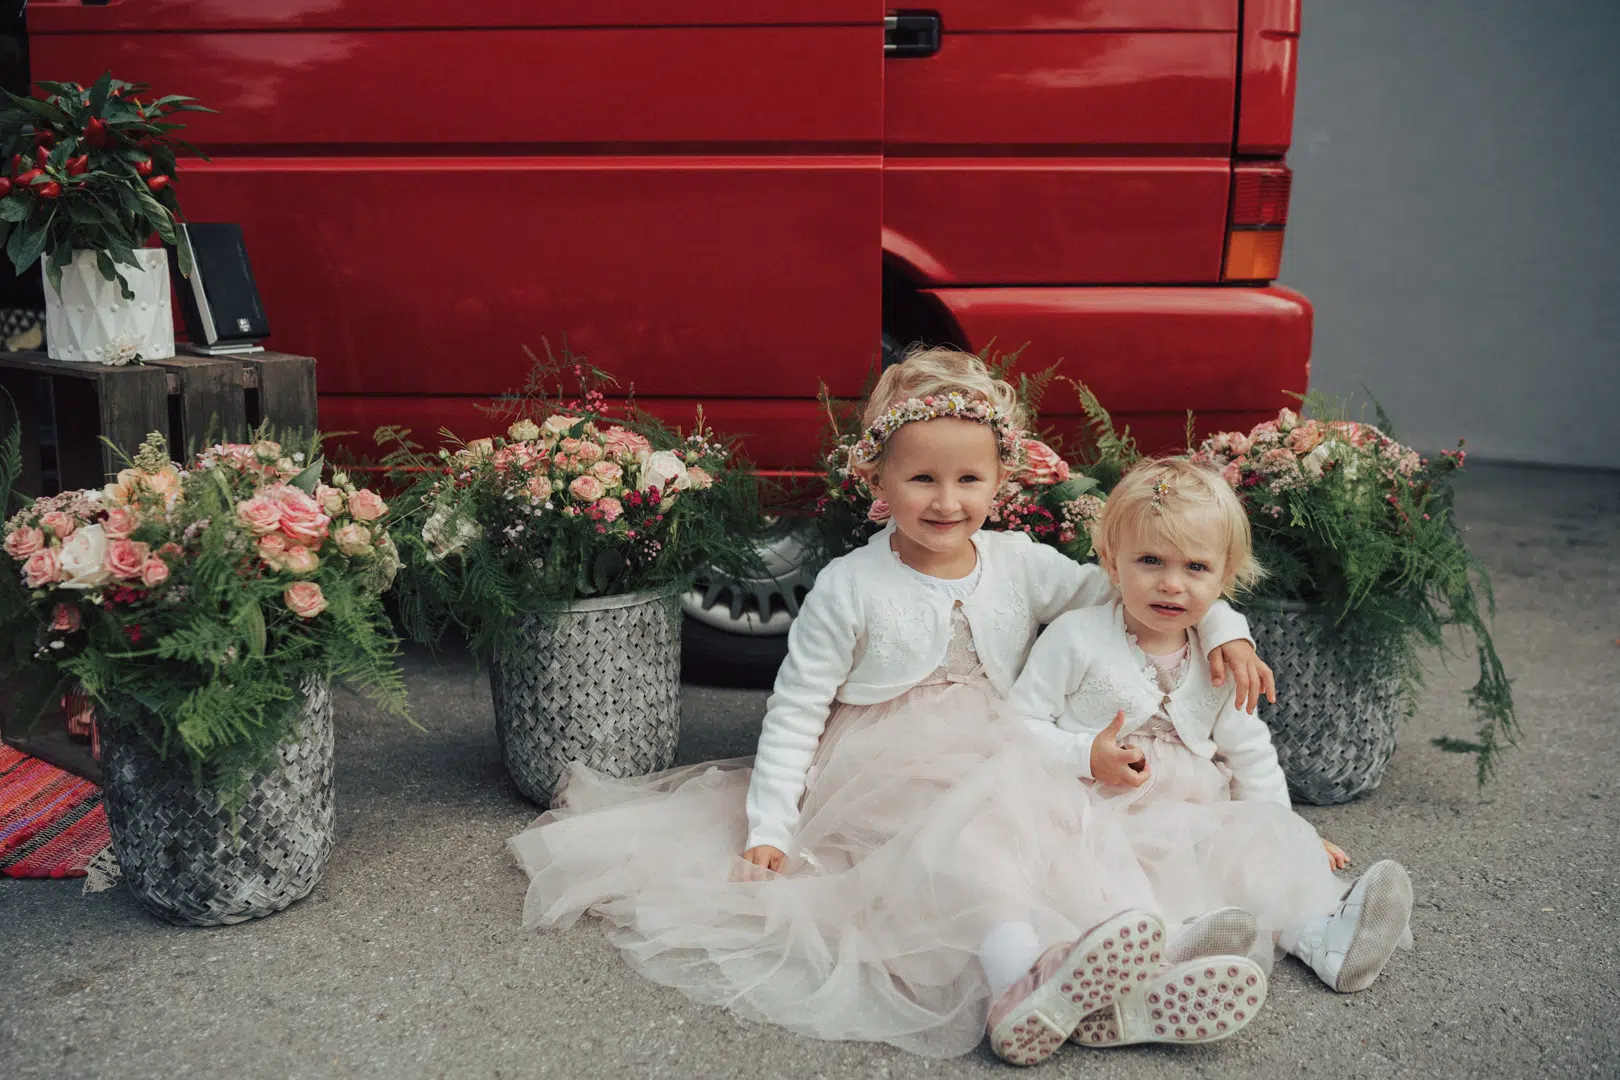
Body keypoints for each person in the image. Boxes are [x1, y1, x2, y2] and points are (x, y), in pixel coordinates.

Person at [509, 348, 1276, 1063]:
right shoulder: (851, 584)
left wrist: (1224, 628)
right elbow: (796, 707)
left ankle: (1125, 972)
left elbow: (1134, 593)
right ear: (877, 481)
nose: (948, 502)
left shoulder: (1018, 562)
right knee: (974, 842)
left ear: (1000, 480)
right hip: (889, 761)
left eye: (969, 481)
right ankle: (1020, 983)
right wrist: (771, 824)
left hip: (1008, 741)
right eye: (922, 481)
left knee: (1069, 830)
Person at [1006, 457, 1414, 1006]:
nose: (1171, 584)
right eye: (1149, 560)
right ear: (1109, 559)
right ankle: (1170, 949)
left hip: (1198, 812)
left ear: (1224, 576)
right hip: (1099, 811)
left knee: (1253, 860)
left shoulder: (1218, 656)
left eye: (1195, 568)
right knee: (1111, 883)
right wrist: (1086, 754)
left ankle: (1323, 938)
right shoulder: (1076, 638)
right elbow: (1018, 724)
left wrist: (1286, 832)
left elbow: (1250, 752)